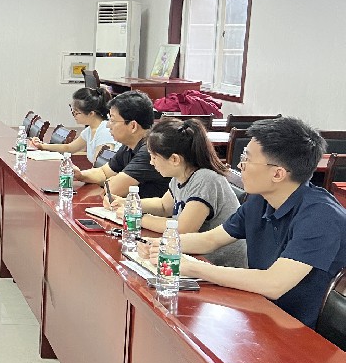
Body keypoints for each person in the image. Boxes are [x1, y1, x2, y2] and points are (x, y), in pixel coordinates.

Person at [139, 117, 346, 329]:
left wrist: (194, 267)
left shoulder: (321, 217)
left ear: (277, 173)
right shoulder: (260, 200)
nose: (239, 166)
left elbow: (274, 283)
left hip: (301, 330)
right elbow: (211, 240)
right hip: (261, 309)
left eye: (246, 159)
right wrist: (163, 245)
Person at [112, 117, 247, 267]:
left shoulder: (205, 179)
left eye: (154, 157)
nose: (151, 162)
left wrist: (137, 218)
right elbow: (164, 206)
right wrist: (128, 203)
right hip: (193, 257)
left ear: (175, 159)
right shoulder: (180, 176)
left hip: (218, 265)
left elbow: (182, 229)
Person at [74, 90, 170, 198]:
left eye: (113, 120)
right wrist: (80, 175)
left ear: (133, 126)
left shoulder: (149, 151)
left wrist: (113, 180)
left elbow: (113, 190)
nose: (108, 125)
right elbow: (104, 172)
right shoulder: (128, 146)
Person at [29, 87, 117, 164]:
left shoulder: (105, 131)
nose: (74, 116)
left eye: (76, 113)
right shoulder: (90, 129)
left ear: (91, 113)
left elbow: (100, 167)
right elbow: (69, 147)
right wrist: (42, 146)